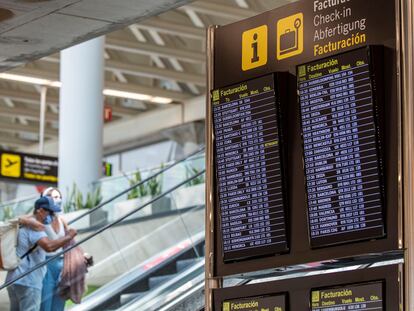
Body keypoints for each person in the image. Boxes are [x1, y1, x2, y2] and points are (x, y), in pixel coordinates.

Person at [6, 196, 77, 311]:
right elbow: (49, 246)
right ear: (41, 211)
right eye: (51, 212)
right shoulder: (35, 227)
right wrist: (69, 236)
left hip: (14, 280)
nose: (53, 216)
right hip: (28, 281)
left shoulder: (24, 223)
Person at [39, 187, 68, 311]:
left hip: (61, 264)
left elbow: (70, 242)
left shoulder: (62, 220)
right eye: (55, 197)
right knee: (45, 304)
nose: (59, 199)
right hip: (45, 264)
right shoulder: (40, 219)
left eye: (60, 197)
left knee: (59, 305)